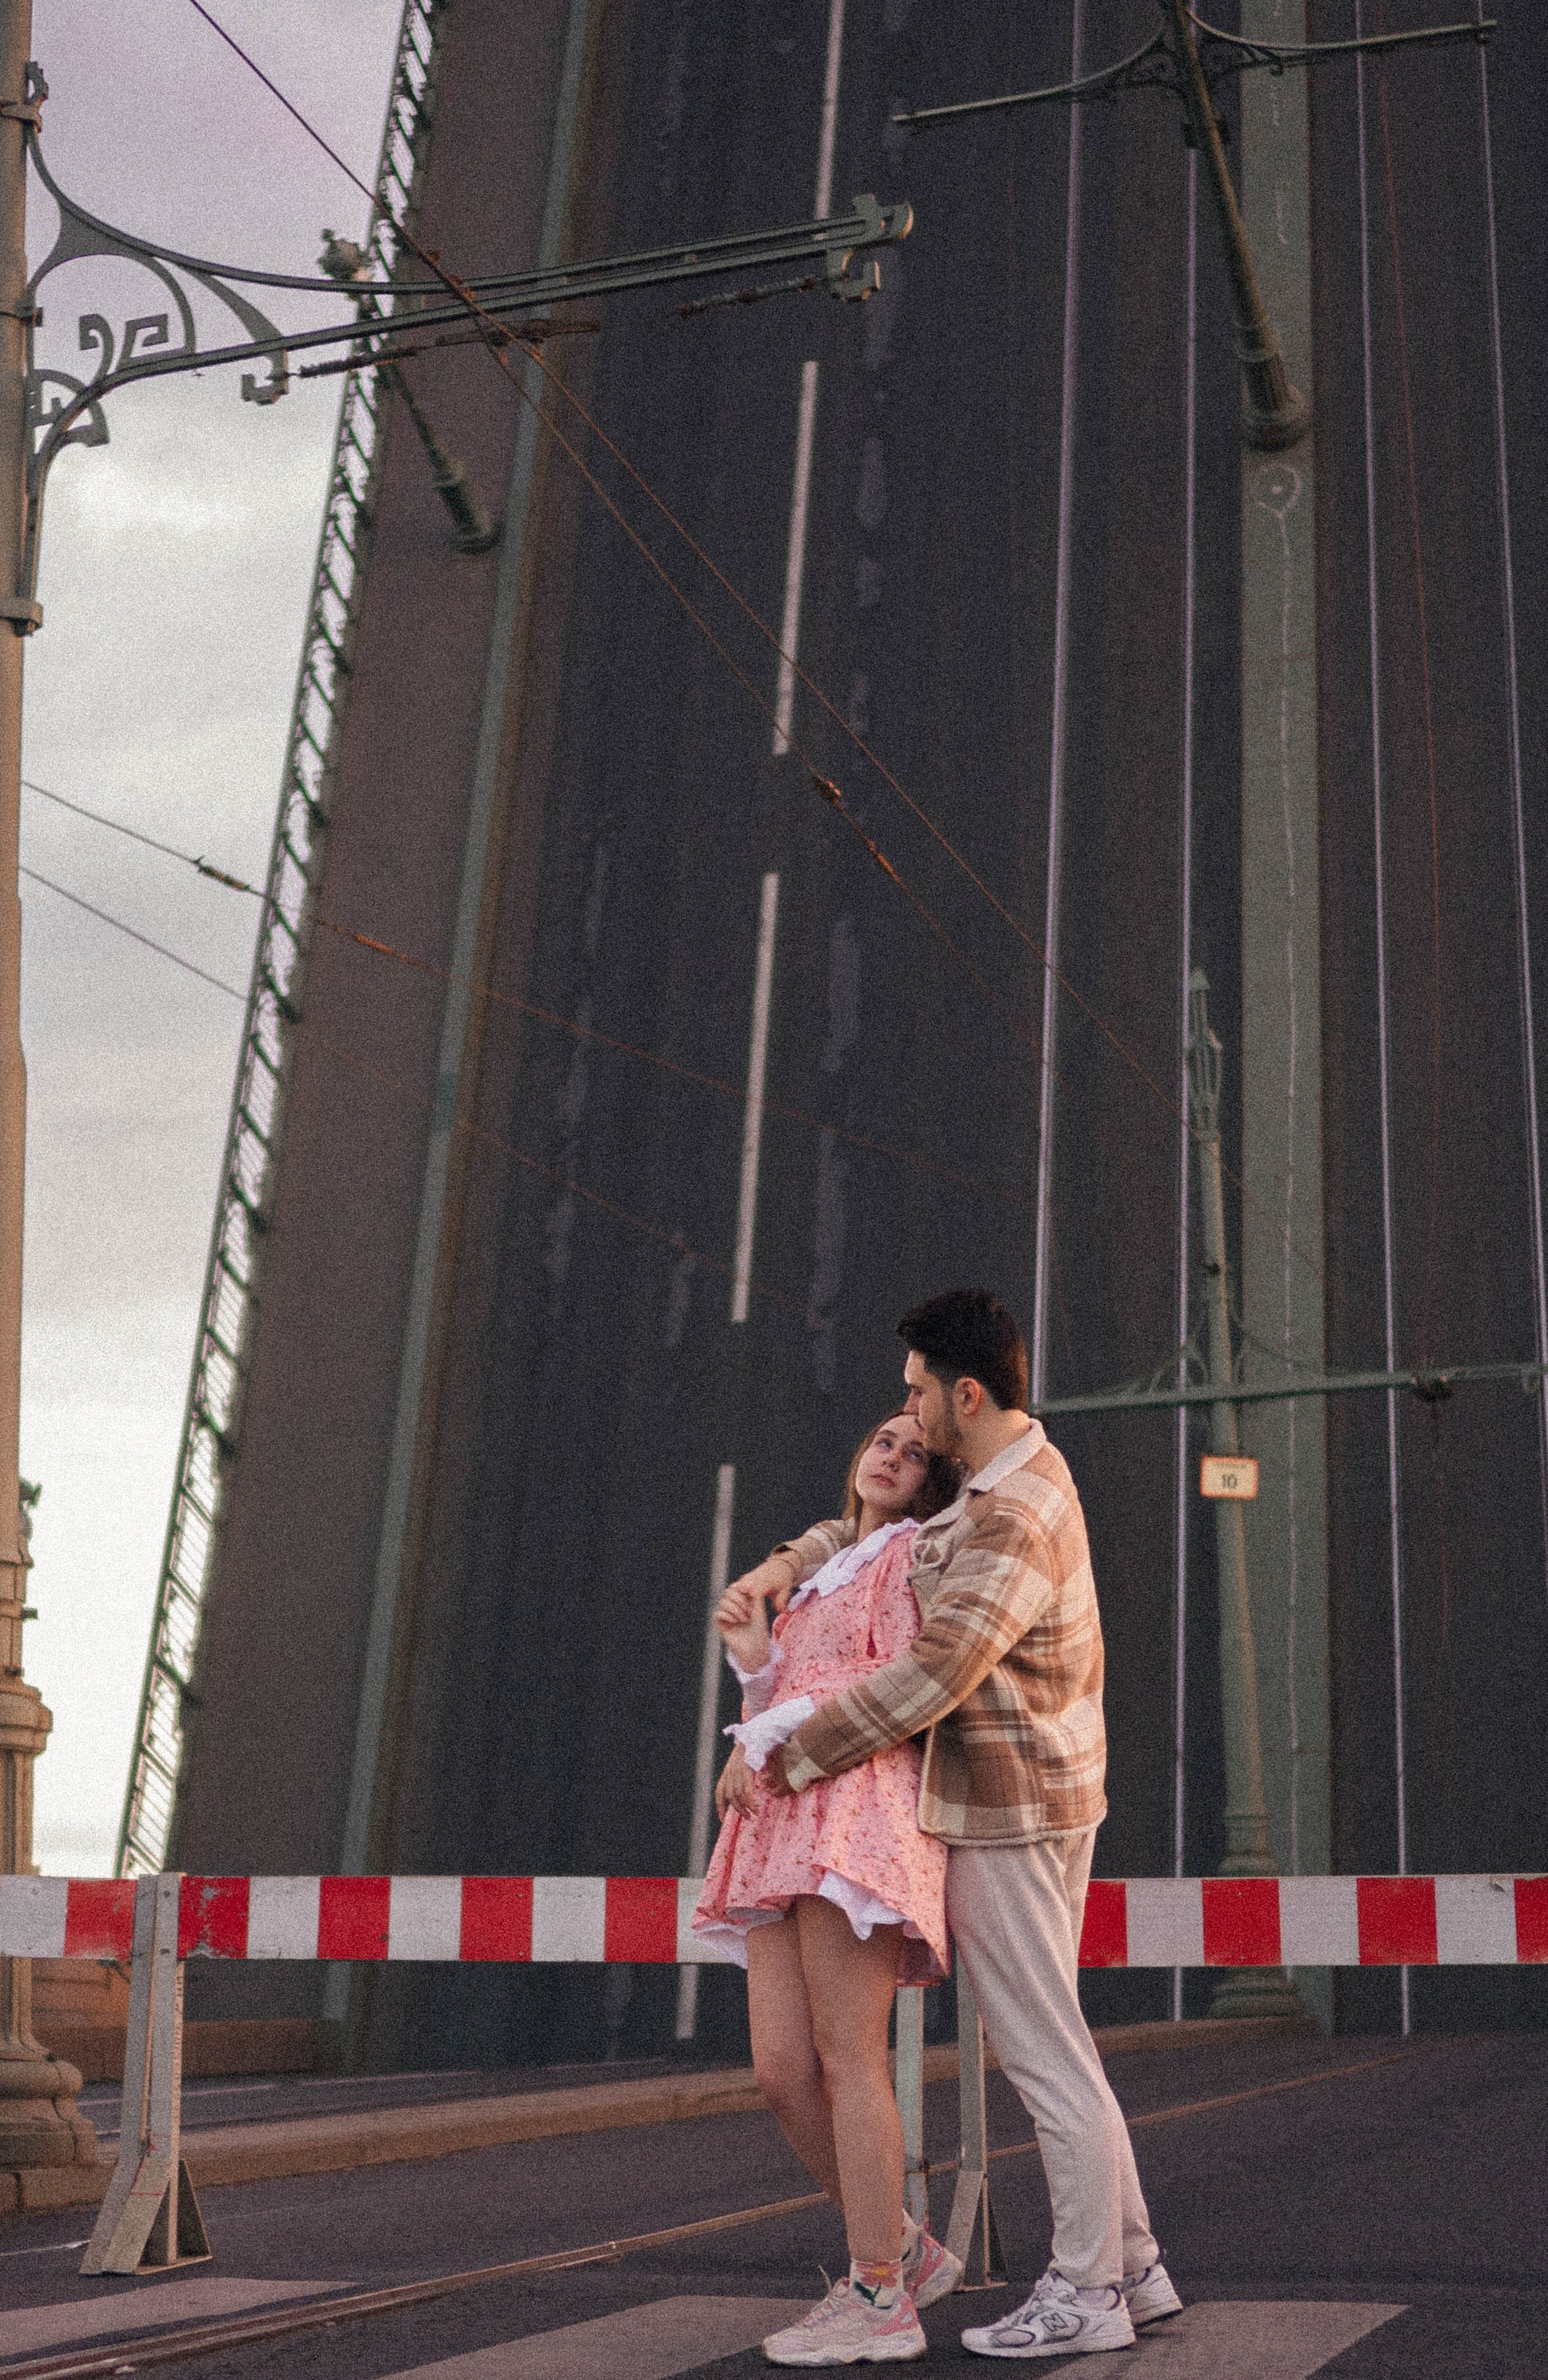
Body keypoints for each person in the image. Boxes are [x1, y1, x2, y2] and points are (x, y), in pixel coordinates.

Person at [751, 1287, 1182, 2360]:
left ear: (967, 1393)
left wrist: (790, 1752)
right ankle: (1133, 2262)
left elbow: (937, 1670)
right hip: (1028, 1793)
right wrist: (789, 1563)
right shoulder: (995, 1486)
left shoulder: (1015, 1508)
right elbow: (867, 1537)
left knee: (1044, 2053)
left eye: (917, 1393)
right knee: (1058, 2040)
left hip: (1010, 1802)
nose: (908, 1411)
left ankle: (1087, 2288)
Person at [693, 1410, 964, 2366]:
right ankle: (903, 2248)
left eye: (914, 1451)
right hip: (779, 1810)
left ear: (930, 1481)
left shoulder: (913, 1555)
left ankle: (878, 2293)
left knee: (849, 2057)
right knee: (779, 2067)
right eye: (882, 1441)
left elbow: (893, 1677)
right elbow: (788, 1685)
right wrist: (752, 1662)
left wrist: (764, 1735)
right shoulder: (820, 1566)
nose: (892, 1456)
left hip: (853, 1805)